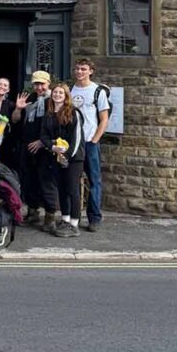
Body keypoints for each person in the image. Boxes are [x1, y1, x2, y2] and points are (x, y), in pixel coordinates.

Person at [40, 82, 85, 238]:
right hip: (57, 156)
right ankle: (65, 220)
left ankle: (74, 223)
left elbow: (77, 137)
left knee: (73, 190)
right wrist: (52, 148)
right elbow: (44, 136)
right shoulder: (49, 113)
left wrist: (68, 153)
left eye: (61, 93)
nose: (57, 95)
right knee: (62, 190)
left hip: (74, 158)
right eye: (55, 92)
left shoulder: (74, 112)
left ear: (66, 96)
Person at [71, 58, 111, 232]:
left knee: (94, 181)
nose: (80, 72)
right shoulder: (69, 90)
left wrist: (94, 139)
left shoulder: (97, 91)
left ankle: (94, 218)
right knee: (72, 181)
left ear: (91, 71)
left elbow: (104, 119)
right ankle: (74, 217)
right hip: (73, 143)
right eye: (78, 69)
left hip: (89, 143)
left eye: (84, 69)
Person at [13, 70, 51, 226]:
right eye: (36, 84)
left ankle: (49, 216)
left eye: (42, 84)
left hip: (44, 147)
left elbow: (54, 126)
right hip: (27, 145)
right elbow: (15, 120)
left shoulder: (54, 99)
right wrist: (18, 108)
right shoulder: (30, 99)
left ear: (48, 83)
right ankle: (33, 211)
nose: (39, 87)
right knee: (28, 180)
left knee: (46, 181)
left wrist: (42, 141)